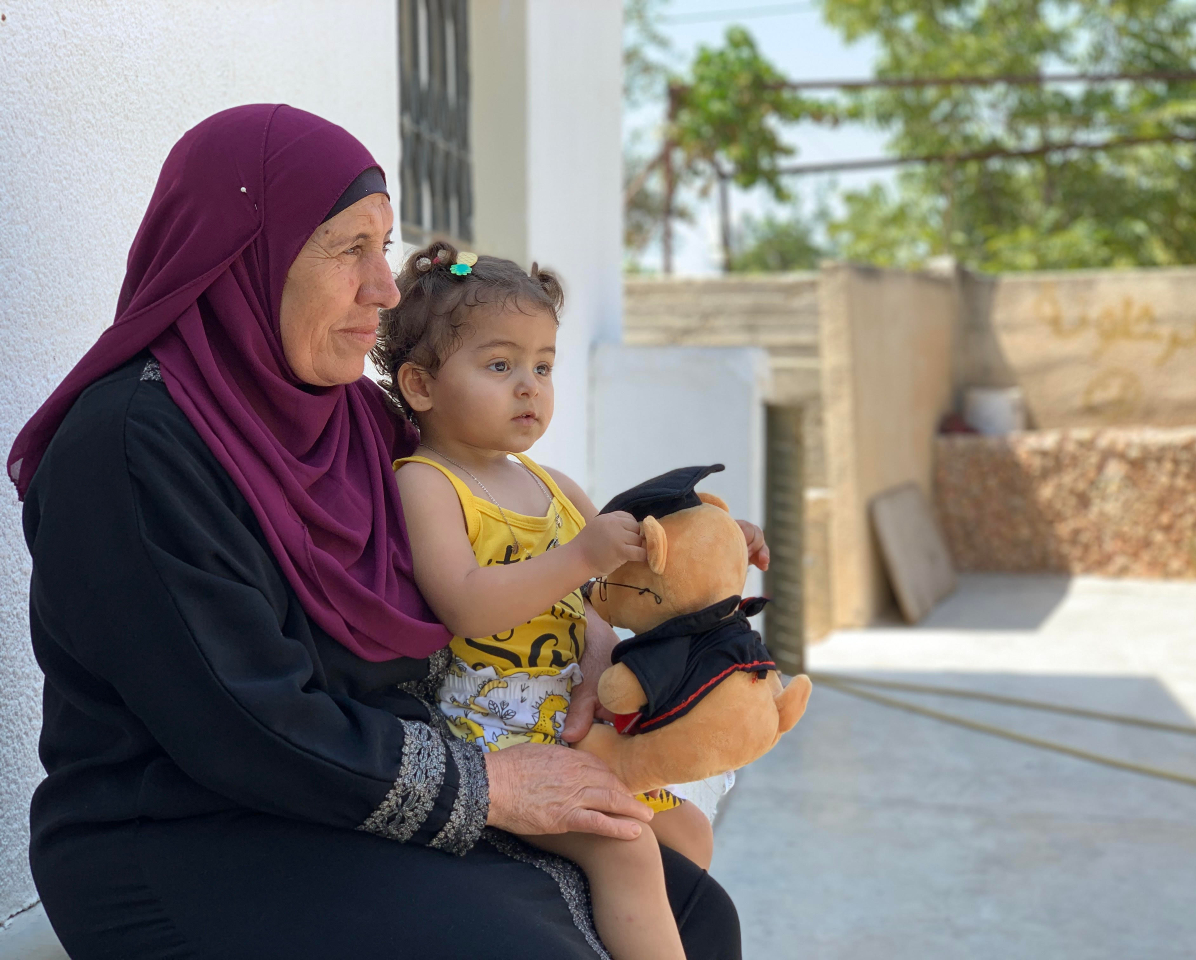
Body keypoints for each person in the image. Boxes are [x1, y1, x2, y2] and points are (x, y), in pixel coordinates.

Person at [11, 104, 741, 959]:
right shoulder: (134, 446)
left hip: (363, 797)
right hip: (184, 833)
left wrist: (587, 648)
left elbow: (498, 562)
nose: (385, 290)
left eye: (383, 247)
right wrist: (488, 786)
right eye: (348, 248)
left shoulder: (356, 421)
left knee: (696, 910)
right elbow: (243, 727)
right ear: (246, 255)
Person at [373, 241, 768, 960]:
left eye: (543, 366)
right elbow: (466, 603)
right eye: (500, 366)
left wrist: (722, 543)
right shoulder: (427, 484)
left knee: (690, 834)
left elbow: (617, 596)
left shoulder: (553, 486)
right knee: (627, 852)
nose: (530, 387)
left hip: (574, 721)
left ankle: (612, 926)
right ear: (422, 386)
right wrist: (580, 556)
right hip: (497, 732)